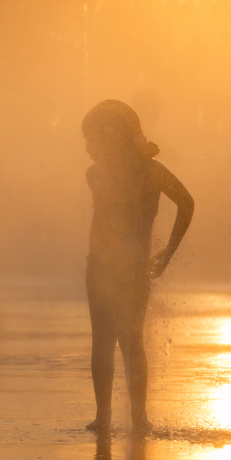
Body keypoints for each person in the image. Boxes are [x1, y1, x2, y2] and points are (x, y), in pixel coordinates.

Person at [82, 100, 193, 433]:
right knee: (121, 341)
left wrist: (168, 252)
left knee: (116, 340)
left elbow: (186, 202)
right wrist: (166, 253)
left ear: (113, 137)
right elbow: (185, 203)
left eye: (92, 140)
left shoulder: (132, 171)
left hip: (121, 267)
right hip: (107, 266)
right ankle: (123, 417)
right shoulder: (127, 172)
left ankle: (122, 417)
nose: (88, 149)